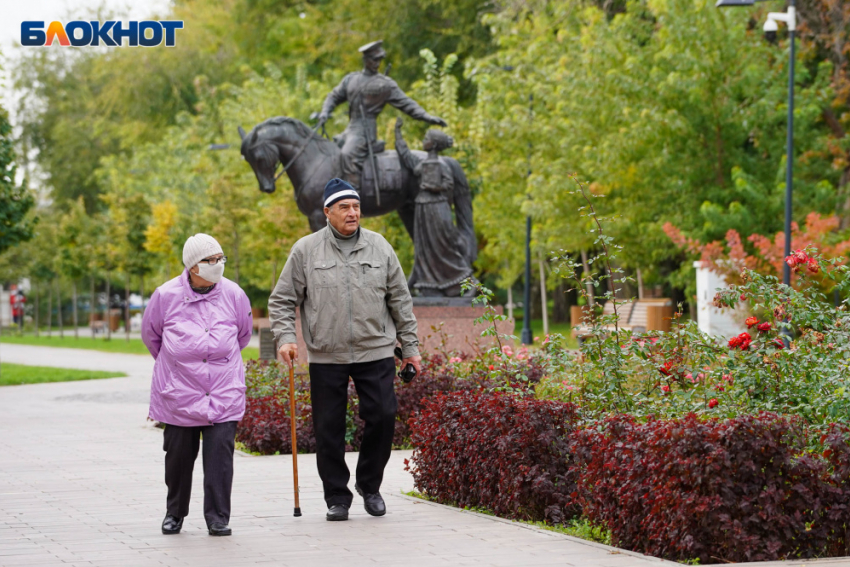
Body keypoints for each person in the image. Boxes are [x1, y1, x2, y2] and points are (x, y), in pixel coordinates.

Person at [268, 178, 421, 521]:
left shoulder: (380, 246)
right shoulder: (306, 250)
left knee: (382, 416)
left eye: (356, 207)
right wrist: (285, 338)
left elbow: (400, 299)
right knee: (329, 428)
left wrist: (410, 347)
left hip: (376, 349)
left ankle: (370, 484)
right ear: (327, 212)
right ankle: (337, 496)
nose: (353, 213)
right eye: (344, 208)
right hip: (327, 354)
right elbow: (281, 300)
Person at [142, 233, 252, 537]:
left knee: (220, 459)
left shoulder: (234, 294)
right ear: (192, 266)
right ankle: (174, 512)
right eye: (210, 260)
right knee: (177, 458)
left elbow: (243, 335)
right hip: (179, 393)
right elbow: (153, 338)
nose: (218, 265)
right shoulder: (165, 296)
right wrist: (178, 367)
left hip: (223, 391)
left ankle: (218, 517)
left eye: (220, 259)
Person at [317, 40, 447, 189]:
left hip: (365, 132)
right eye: (374, 59)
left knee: (347, 155)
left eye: (380, 59)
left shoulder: (385, 84)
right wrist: (324, 113)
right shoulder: (350, 79)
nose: (377, 63)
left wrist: (427, 116)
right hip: (350, 130)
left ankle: (352, 196)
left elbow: (407, 103)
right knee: (330, 153)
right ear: (365, 60)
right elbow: (333, 96)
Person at [394, 118, 475, 296]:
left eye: (426, 138)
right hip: (423, 208)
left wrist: (433, 187)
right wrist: (397, 133)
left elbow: (448, 184)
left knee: (444, 245)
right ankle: (430, 284)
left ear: (433, 144)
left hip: (437, 208)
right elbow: (405, 154)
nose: (423, 141)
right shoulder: (421, 163)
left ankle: (469, 282)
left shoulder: (441, 165)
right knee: (425, 247)